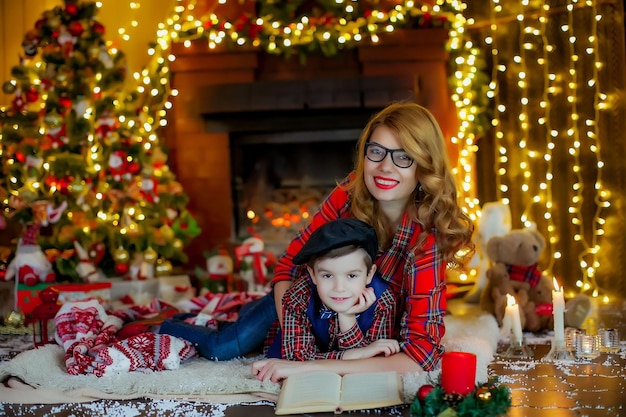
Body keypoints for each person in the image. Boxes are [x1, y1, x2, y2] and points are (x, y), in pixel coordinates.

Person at [252, 101, 474, 382]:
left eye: (403, 157)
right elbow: (288, 267)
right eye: (377, 152)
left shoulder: (425, 240)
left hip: (359, 333)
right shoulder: (349, 193)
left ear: (424, 167)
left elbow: (422, 355)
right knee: (225, 344)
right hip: (304, 312)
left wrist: (312, 367)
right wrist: (297, 346)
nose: (385, 167)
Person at [264, 218, 399, 362]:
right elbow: (297, 358)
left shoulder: (384, 302)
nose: (339, 288)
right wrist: (349, 355)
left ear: (369, 274)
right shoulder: (297, 296)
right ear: (313, 275)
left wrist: (347, 317)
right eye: (327, 275)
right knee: (239, 339)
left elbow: (372, 359)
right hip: (269, 309)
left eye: (352, 275)